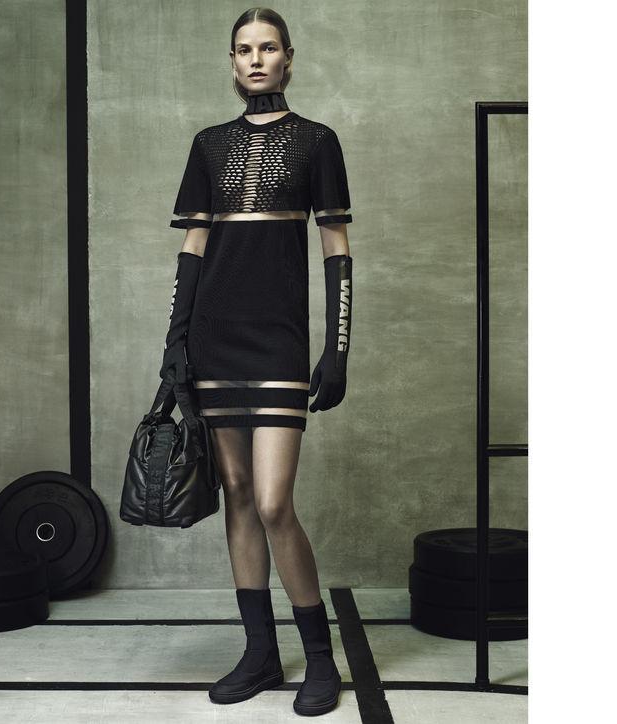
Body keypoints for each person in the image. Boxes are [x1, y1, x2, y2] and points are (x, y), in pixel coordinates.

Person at [160, 7, 353, 718]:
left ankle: (320, 658)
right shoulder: (208, 145)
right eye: (244, 49)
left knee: (274, 502)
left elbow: (336, 248)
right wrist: (174, 341)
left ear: (288, 57)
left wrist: (337, 347)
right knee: (238, 495)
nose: (256, 59)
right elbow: (193, 248)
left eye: (268, 47)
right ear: (233, 61)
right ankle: (260, 653)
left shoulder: (318, 142)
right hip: (215, 338)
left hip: (278, 341)